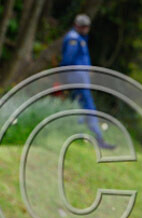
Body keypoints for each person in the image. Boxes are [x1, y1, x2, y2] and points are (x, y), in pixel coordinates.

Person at [60, 14, 115, 150]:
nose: (85, 29)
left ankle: (78, 135)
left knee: (78, 106)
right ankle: (97, 138)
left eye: (87, 27)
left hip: (80, 78)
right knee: (88, 107)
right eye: (83, 26)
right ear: (76, 25)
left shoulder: (80, 39)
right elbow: (68, 60)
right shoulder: (74, 39)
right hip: (77, 79)